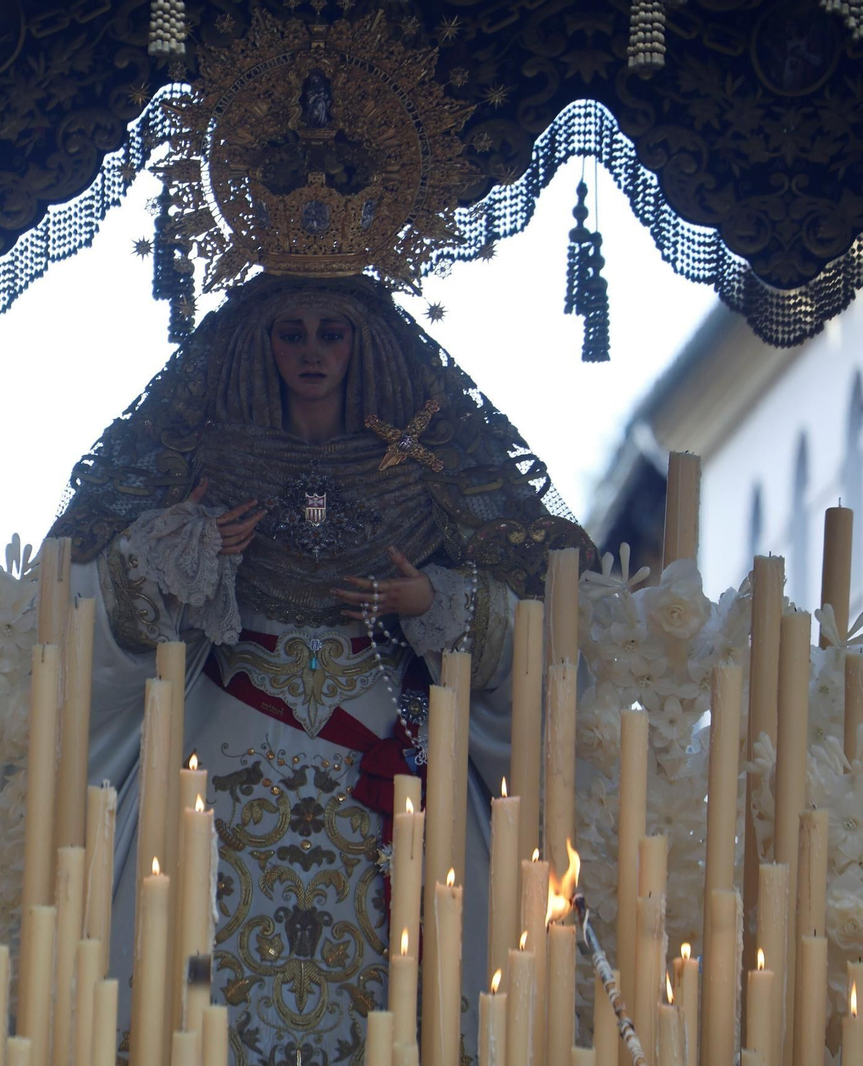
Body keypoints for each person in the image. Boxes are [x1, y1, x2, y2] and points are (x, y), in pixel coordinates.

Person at [49, 272, 590, 1063]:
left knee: (410, 958)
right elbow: (92, 602)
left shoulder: (418, 469)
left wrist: (428, 598)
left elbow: (535, 615)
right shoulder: (209, 462)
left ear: (361, 345)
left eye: (330, 333)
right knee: (192, 937)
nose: (311, 352)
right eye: (291, 332)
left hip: (383, 741)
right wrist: (183, 554)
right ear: (258, 345)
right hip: (228, 734)